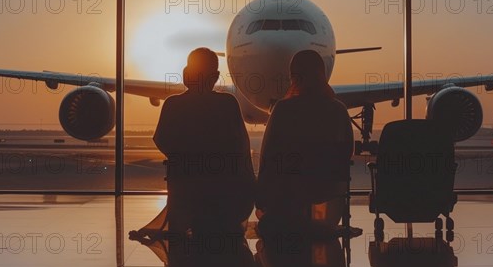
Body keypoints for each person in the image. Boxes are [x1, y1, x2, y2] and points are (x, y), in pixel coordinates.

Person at [151, 47, 255, 234]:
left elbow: (160, 139)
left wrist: (182, 157)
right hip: (222, 197)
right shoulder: (228, 104)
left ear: (186, 74)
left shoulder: (173, 104)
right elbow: (240, 146)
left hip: (183, 193)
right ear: (215, 77)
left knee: (181, 252)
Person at [256, 50, 354, 233]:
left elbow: (268, 158)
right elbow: (347, 152)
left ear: (294, 77)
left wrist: (261, 198)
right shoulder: (339, 110)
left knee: (266, 226)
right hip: (329, 211)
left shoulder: (283, 110)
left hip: (288, 208)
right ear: (322, 74)